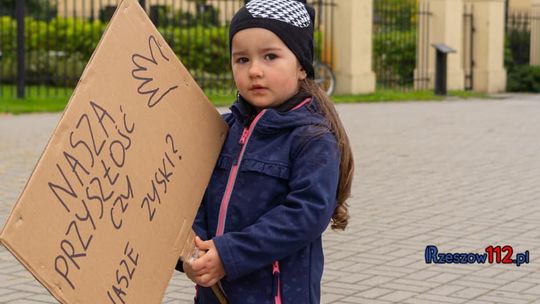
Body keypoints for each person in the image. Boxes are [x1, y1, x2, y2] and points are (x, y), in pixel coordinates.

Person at [176, 0, 354, 303]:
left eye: (270, 56)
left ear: (301, 67)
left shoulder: (312, 138)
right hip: (213, 293)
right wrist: (192, 256)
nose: (254, 70)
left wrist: (229, 254)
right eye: (242, 59)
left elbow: (306, 215)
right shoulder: (221, 130)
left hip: (277, 295)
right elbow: (192, 199)